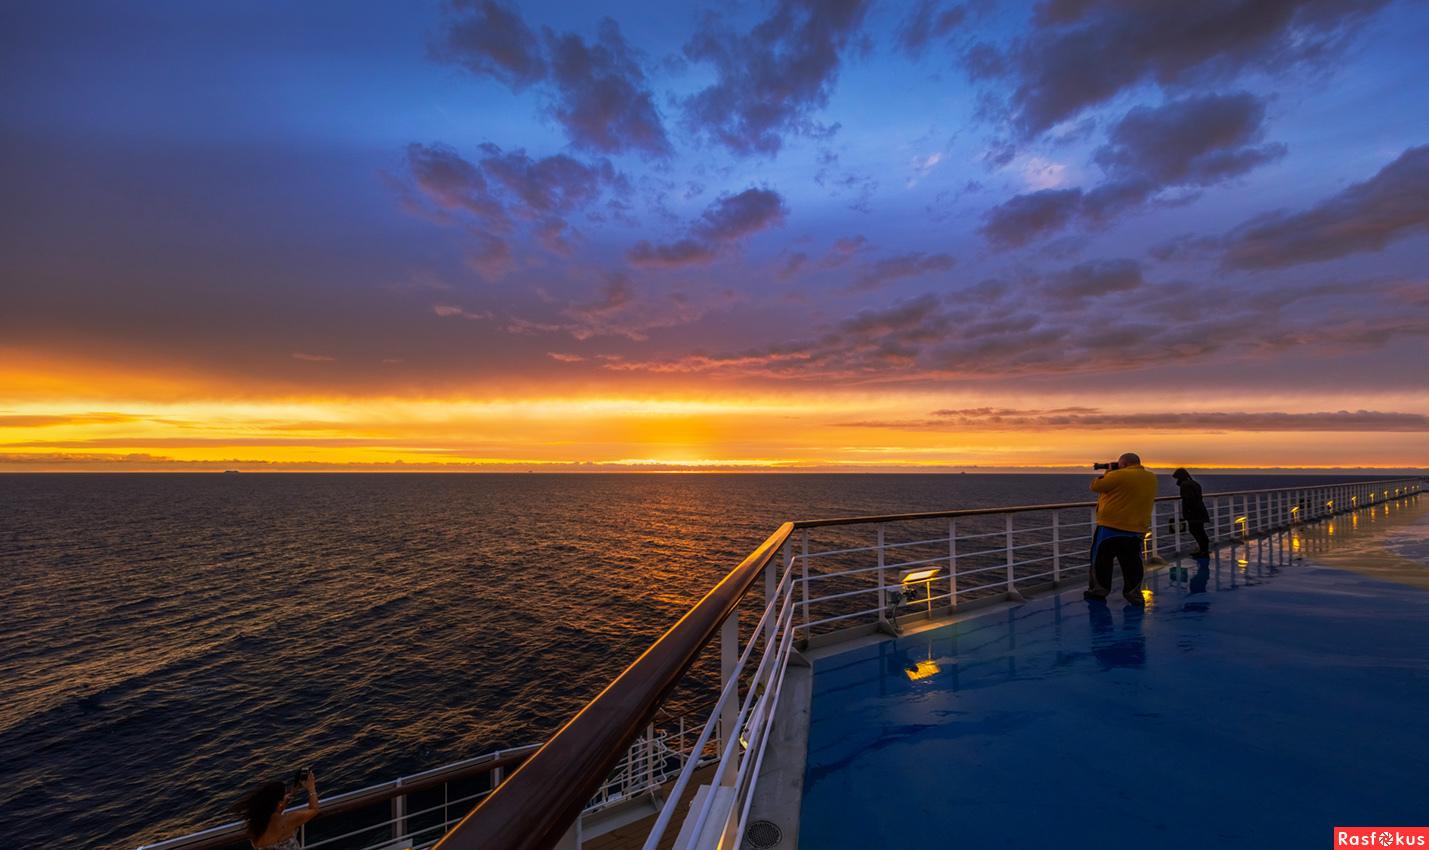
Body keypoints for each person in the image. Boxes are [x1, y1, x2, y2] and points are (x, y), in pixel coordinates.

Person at [1086, 452, 1158, 604]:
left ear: (1123, 464)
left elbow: (1095, 486)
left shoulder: (1118, 475)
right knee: (1133, 563)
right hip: (1136, 528)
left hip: (1110, 527)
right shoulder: (1151, 477)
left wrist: (1109, 471)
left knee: (1101, 560)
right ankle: (1133, 593)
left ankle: (1099, 591)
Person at [231, 769, 320, 849]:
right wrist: (311, 787)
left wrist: (294, 791)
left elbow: (273, 812)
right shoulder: (288, 820)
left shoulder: (255, 827)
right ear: (279, 802)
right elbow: (314, 809)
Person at [1172, 467, 1211, 556]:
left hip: (1193, 512)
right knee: (1200, 531)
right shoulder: (1194, 483)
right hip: (1200, 510)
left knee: (1195, 530)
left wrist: (1188, 512)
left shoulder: (1185, 485)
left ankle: (1203, 550)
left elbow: (1188, 499)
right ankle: (1204, 549)